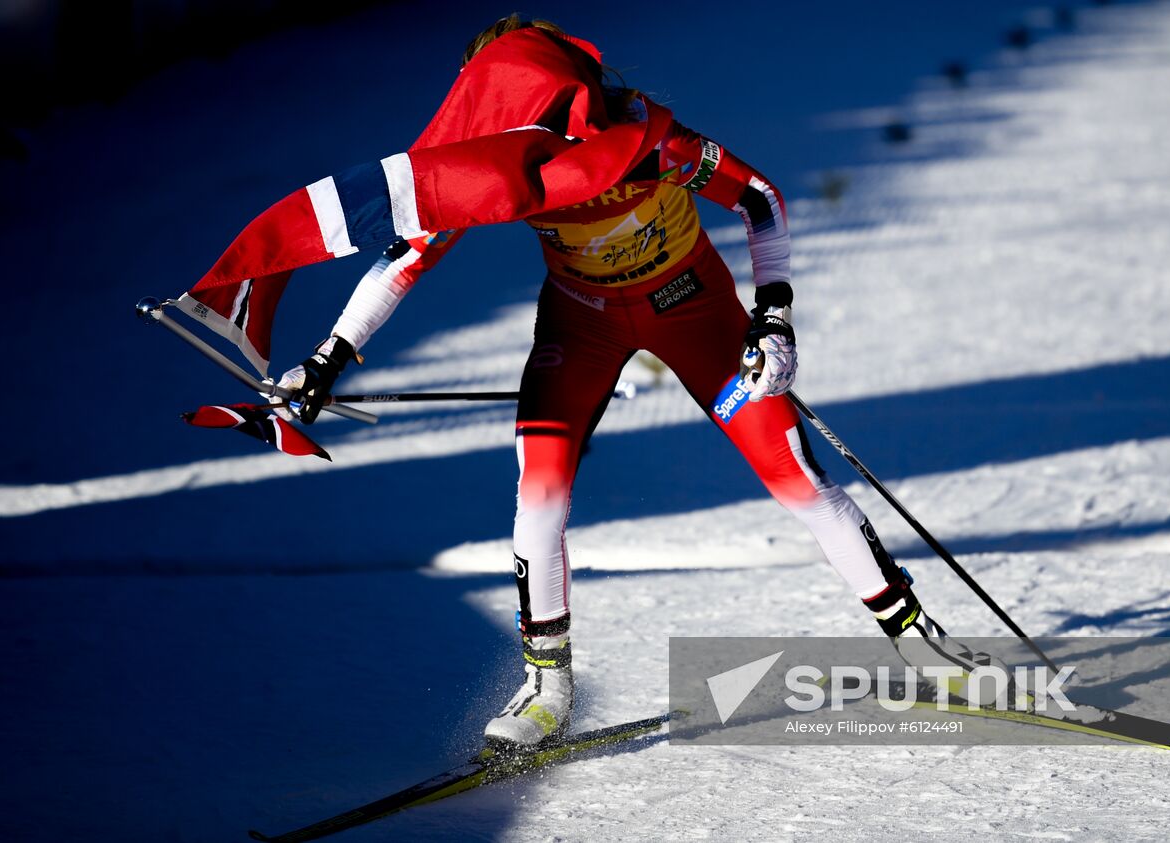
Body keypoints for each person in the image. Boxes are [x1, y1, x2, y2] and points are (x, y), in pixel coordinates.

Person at [262, 16, 981, 749]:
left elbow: (757, 197)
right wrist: (327, 358)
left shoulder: (646, 137)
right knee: (537, 499)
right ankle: (547, 688)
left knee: (796, 479)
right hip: (583, 328)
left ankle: (915, 636)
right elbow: (410, 254)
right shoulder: (496, 163)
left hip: (693, 314)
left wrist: (774, 319)